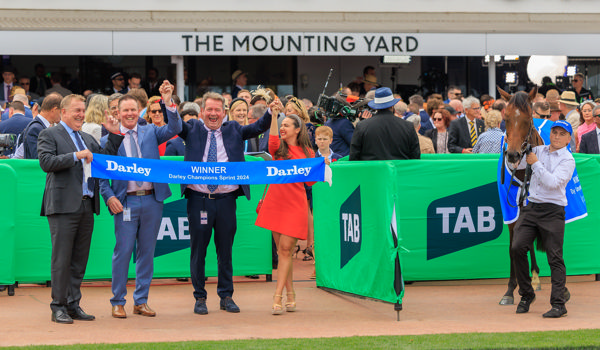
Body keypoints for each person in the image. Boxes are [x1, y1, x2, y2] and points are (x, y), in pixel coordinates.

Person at [167, 88, 273, 315]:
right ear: (202, 111)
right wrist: (168, 103)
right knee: (198, 251)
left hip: (226, 201)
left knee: (225, 251)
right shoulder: (193, 128)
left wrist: (271, 111)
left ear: (224, 113)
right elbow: (175, 126)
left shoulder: (234, 129)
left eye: (218, 110)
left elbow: (258, 127)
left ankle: (226, 296)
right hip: (199, 200)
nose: (213, 114)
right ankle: (200, 298)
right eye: (209, 110)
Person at [37, 94, 124, 324]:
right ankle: (58, 306)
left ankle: (73, 304)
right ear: (63, 111)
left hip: (86, 205)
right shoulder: (49, 134)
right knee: (61, 259)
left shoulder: (87, 137)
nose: (80, 114)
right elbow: (46, 162)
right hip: (63, 206)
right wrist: (76, 156)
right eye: (76, 110)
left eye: (82, 110)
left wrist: (114, 134)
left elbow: (106, 161)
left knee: (79, 259)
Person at [100, 86, 182, 319]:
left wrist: (168, 102)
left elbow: (175, 127)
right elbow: (101, 174)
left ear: (139, 111)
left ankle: (141, 301)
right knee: (123, 252)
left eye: (133, 109)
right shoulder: (109, 139)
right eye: (125, 110)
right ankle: (117, 301)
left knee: (147, 252)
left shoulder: (150, 132)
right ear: (118, 112)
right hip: (125, 203)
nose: (129, 114)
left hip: (152, 201)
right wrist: (110, 197)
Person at [255, 99, 315, 315]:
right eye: (281, 125)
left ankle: (277, 295)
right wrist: (274, 115)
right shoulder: (278, 148)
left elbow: (310, 184)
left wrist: (322, 165)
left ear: (297, 130)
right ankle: (291, 295)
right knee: (283, 253)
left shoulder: (308, 152)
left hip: (295, 205)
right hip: (275, 203)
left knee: (286, 250)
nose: (282, 128)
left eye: (286, 125)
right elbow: (271, 139)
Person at [511, 120, 576, 318]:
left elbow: (553, 183)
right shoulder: (537, 150)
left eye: (561, 134)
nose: (556, 136)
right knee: (516, 248)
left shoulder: (567, 159)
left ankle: (558, 304)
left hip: (553, 210)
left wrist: (535, 164)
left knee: (554, 257)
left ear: (568, 139)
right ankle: (527, 294)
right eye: (554, 132)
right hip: (531, 208)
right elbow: (515, 164)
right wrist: (512, 147)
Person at [350, 87, 420, 161]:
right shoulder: (408, 126)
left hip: (372, 172)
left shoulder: (362, 126)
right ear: (392, 105)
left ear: (376, 106)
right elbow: (415, 157)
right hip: (399, 171)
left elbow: (354, 157)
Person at [23, 93, 62, 159]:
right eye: (61, 112)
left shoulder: (39, 127)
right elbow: (40, 159)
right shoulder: (36, 129)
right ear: (54, 110)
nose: (62, 115)